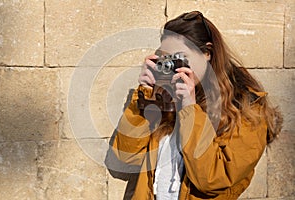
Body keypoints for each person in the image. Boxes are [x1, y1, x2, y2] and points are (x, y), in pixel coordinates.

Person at [105, 11, 283, 200]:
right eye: (168, 59)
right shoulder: (165, 98)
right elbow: (125, 159)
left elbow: (211, 180)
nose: (175, 67)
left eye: (180, 57)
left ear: (207, 52)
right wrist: (145, 96)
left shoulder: (248, 108)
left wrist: (189, 107)